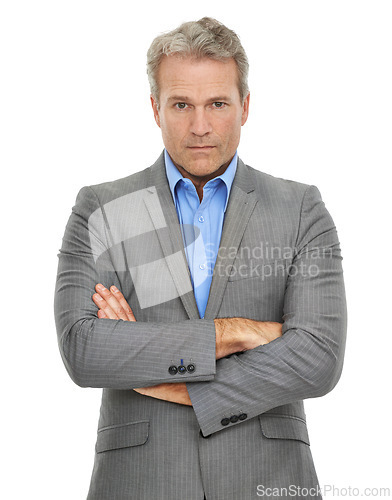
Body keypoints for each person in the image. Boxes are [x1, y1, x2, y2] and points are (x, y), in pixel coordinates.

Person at [54, 17, 347, 500]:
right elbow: (84, 350)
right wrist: (232, 333)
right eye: (181, 104)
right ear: (155, 108)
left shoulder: (300, 208)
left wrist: (175, 381)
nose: (200, 126)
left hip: (268, 478)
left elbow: (319, 357)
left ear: (245, 107)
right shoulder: (102, 207)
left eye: (218, 104)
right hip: (141, 481)